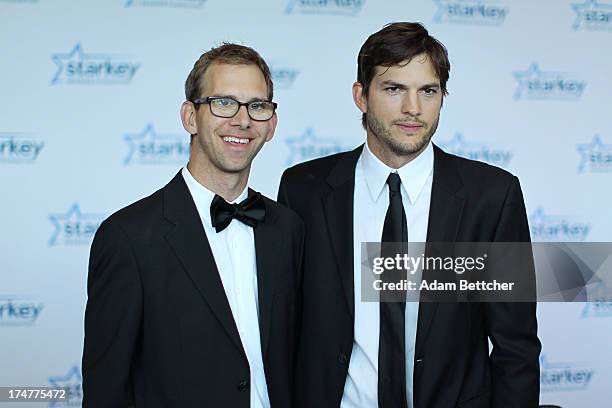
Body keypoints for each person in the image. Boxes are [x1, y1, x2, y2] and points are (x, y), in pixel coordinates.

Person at [278, 22, 541, 408]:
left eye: (428, 91)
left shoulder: (491, 196)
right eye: (394, 89)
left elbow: (515, 346)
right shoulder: (304, 190)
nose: (412, 109)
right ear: (361, 96)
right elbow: (284, 328)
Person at [82, 43, 304, 408]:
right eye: (223, 103)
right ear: (190, 117)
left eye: (257, 106)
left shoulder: (288, 228)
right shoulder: (128, 237)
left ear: (272, 124)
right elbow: (107, 388)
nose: (242, 120)